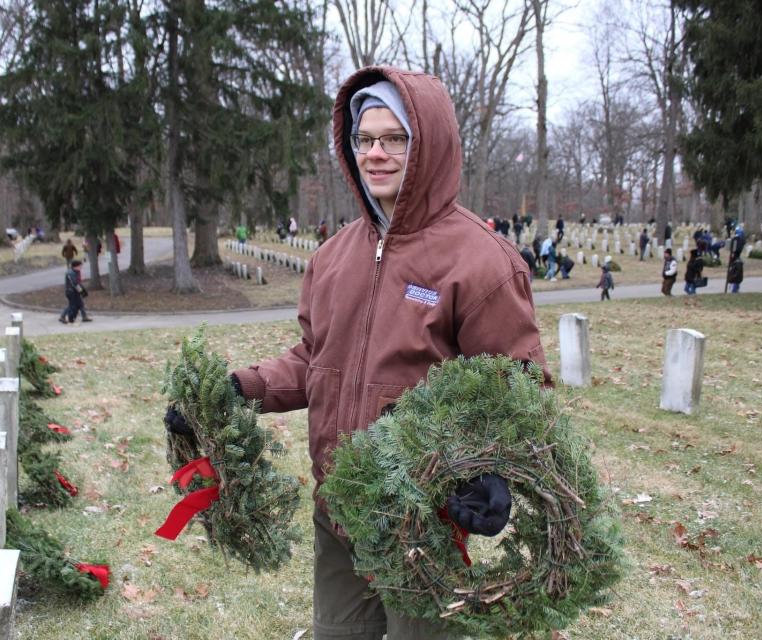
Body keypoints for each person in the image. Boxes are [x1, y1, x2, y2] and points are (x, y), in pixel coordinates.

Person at [185, 67, 549, 640]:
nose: (375, 154)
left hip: (421, 519)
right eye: (364, 139)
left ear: (428, 143)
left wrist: (489, 473)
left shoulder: (480, 262)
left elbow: (517, 389)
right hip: (339, 511)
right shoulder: (333, 257)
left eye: (394, 139)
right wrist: (236, 390)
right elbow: (314, 361)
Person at [59, 260, 92, 324]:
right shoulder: (71, 273)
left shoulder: (76, 272)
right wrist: (81, 291)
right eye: (80, 266)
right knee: (72, 305)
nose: (81, 267)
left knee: (81, 304)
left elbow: (78, 282)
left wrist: (81, 290)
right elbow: (75, 283)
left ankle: (84, 317)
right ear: (76, 266)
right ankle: (62, 317)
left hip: (75, 291)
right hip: (71, 292)